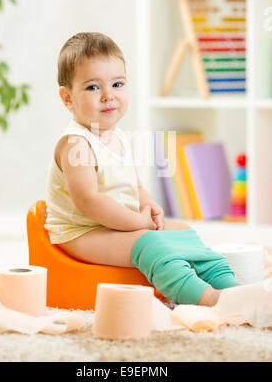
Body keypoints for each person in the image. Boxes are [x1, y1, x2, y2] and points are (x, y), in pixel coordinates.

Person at [44, 32, 272, 326]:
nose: (108, 95)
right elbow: (89, 201)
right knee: (152, 245)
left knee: (184, 233)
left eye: (117, 84)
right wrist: (138, 223)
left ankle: (232, 289)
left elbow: (133, 187)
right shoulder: (76, 143)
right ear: (67, 98)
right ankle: (209, 301)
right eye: (92, 87)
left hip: (115, 225)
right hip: (81, 233)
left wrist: (149, 205)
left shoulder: (119, 138)